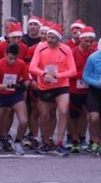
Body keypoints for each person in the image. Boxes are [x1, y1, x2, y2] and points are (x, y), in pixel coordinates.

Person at [28, 24, 77, 156]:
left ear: (58, 39)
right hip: (44, 85)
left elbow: (73, 71)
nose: (49, 40)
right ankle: (46, 141)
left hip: (61, 85)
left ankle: (60, 142)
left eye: (52, 37)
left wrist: (58, 76)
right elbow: (32, 67)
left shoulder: (66, 49)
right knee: (44, 116)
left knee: (63, 111)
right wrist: (44, 74)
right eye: (48, 36)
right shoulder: (41, 47)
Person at [0, 43, 30, 155]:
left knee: (23, 120)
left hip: (15, 95)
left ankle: (18, 142)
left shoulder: (21, 63)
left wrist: (23, 85)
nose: (12, 61)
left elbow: (27, 80)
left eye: (15, 58)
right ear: (5, 54)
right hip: (1, 95)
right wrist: (7, 86)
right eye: (10, 58)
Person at [67, 26, 97, 153]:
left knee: (88, 114)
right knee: (74, 115)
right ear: (80, 39)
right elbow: (69, 70)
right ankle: (74, 140)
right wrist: (83, 75)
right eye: (86, 41)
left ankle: (84, 138)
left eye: (91, 41)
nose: (89, 44)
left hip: (89, 89)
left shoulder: (94, 53)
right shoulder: (72, 52)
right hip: (75, 88)